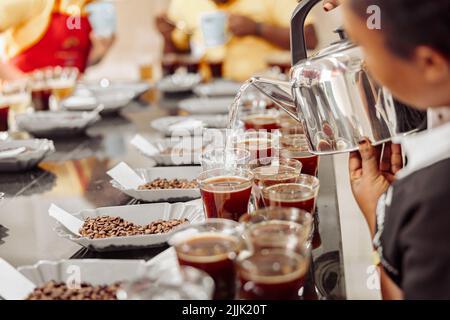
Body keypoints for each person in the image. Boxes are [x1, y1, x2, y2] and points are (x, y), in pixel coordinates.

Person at [341, 0, 450, 299]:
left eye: (364, 47)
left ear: (430, 63)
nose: (362, 64)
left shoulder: (433, 201)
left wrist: (382, 225)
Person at [156, 0, 318, 81]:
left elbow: (310, 38)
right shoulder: (183, 3)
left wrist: (258, 29)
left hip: (265, 93)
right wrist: (167, 38)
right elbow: (175, 55)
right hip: (205, 96)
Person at [0, 0, 115, 74]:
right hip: (23, 104)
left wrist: (98, 53)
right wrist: (16, 79)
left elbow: (75, 62)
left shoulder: (92, 7)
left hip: (69, 102)